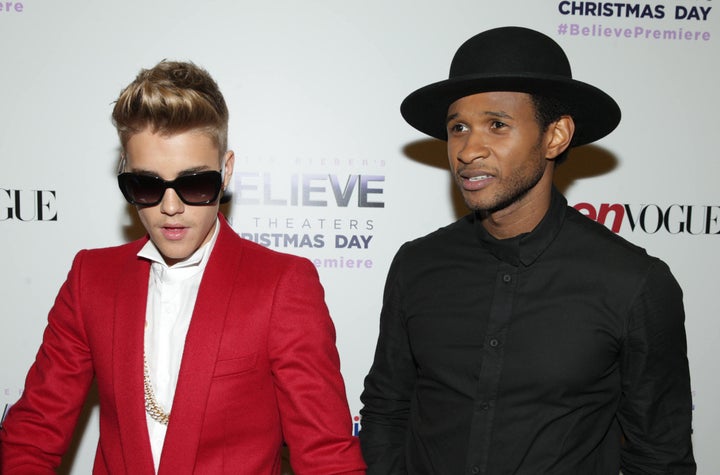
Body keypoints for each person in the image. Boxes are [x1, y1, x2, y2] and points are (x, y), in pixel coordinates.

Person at [0, 60, 366, 474]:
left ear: (226, 172)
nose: (170, 208)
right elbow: (33, 432)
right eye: (147, 185)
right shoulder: (91, 279)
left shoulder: (281, 284)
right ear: (125, 174)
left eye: (194, 184)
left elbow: (325, 456)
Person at [359, 26, 695, 474]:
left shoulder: (633, 283)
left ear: (555, 136)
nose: (468, 149)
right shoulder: (417, 265)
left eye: (497, 125)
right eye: (458, 127)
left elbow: (659, 455)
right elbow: (386, 409)